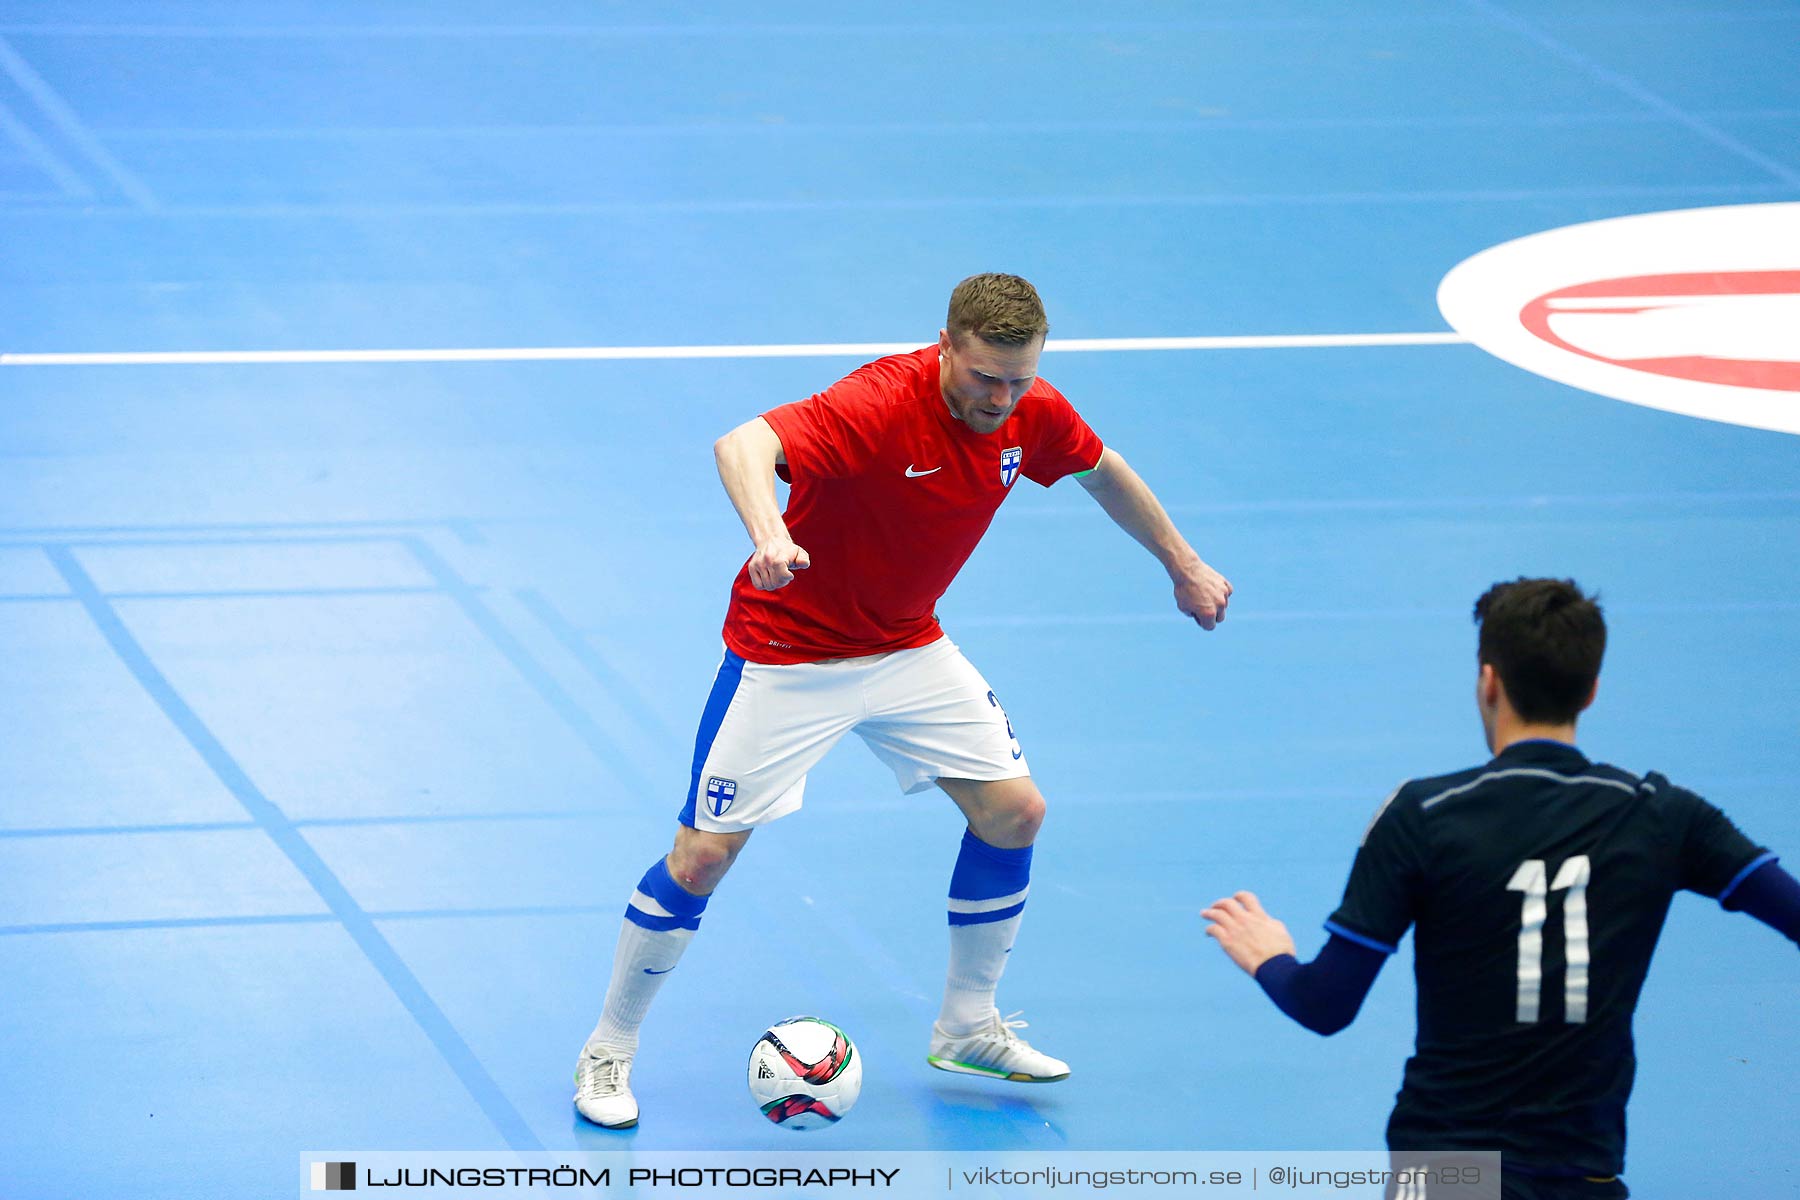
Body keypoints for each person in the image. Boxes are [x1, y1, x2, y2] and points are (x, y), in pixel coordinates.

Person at [573, 273, 1234, 1128]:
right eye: (985, 376)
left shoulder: (1032, 412)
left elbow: (1102, 472)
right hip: (787, 654)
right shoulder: (877, 402)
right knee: (700, 860)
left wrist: (1181, 563)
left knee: (1015, 813)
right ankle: (608, 1050)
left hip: (906, 644)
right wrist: (771, 530)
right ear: (946, 347)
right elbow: (740, 444)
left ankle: (967, 1027)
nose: (1001, 398)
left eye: (1019, 379)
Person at [1202, 578, 1800, 1200]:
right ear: (1590, 691)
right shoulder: (1665, 816)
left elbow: (1324, 1006)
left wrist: (1269, 956)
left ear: (1489, 681)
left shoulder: (1424, 814)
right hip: (1584, 1174)